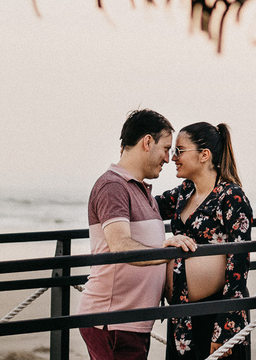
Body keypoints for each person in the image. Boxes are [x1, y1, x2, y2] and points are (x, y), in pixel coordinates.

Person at [78, 109, 198, 360]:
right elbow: (120, 245)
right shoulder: (113, 186)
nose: (168, 158)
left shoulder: (143, 191)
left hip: (132, 322)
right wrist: (166, 251)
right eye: (166, 148)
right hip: (112, 322)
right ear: (147, 142)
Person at [156, 122, 253, 359]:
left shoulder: (231, 197)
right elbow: (145, 208)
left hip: (217, 312)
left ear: (204, 155)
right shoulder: (183, 192)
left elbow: (239, 263)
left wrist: (226, 327)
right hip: (182, 315)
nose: (173, 157)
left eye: (179, 150)